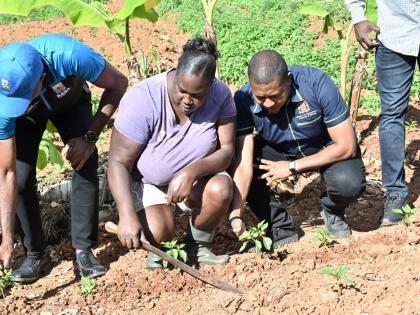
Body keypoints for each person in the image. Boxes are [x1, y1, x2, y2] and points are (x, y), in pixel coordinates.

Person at [0, 34, 128, 282]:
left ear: (42, 78)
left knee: (85, 161)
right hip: (26, 120)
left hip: (70, 100)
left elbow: (119, 83)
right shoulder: (6, 98)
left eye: (27, 95)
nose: (23, 101)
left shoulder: (71, 56)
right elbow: (6, 173)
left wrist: (90, 137)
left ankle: (83, 249)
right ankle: (35, 253)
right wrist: (6, 238)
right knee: (22, 177)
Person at [108, 37, 236, 269]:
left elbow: (227, 150)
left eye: (197, 95)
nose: (187, 100)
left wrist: (191, 172)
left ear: (210, 87)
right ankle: (163, 246)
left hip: (196, 182)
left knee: (221, 190)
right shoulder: (143, 98)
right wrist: (126, 214)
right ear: (175, 74)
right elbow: (118, 162)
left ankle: (196, 245)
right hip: (148, 184)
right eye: (182, 91)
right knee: (158, 231)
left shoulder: (221, 95)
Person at [230, 50, 366, 250]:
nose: (268, 103)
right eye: (261, 97)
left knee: (350, 183)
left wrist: (292, 167)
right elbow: (242, 165)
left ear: (288, 80)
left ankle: (332, 209)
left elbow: (346, 146)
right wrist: (236, 213)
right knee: (244, 158)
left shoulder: (316, 84)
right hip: (280, 150)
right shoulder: (243, 100)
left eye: (275, 96)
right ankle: (279, 225)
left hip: (325, 147)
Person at [345, 0, 419, 226]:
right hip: (395, 34)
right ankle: (395, 193)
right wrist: (358, 16)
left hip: (397, 33)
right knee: (392, 115)